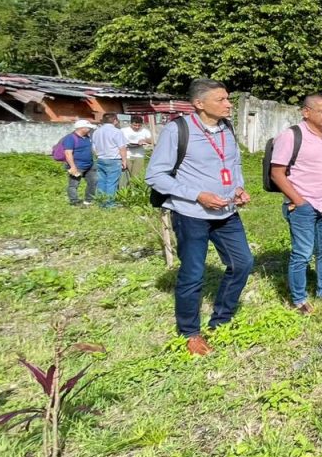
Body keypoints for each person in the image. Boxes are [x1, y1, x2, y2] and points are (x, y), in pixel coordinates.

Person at [146, 79, 253, 356]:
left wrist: (238, 187)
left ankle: (222, 319)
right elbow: (155, 175)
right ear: (199, 103)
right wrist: (197, 195)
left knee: (242, 263)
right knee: (193, 273)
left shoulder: (226, 128)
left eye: (228, 98)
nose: (229, 104)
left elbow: (234, 164)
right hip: (192, 213)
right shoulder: (177, 130)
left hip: (227, 212)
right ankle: (190, 332)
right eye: (221, 99)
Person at [269, 94, 322, 313]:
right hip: (303, 205)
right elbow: (277, 173)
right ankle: (299, 299)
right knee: (302, 253)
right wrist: (298, 200)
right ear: (306, 112)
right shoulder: (291, 136)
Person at [91, 112, 128, 207]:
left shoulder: (96, 132)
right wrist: (124, 161)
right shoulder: (117, 132)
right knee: (112, 182)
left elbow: (94, 147)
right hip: (114, 159)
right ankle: (109, 204)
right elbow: (122, 148)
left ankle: (101, 202)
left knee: (101, 181)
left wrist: (99, 155)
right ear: (115, 120)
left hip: (101, 159)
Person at [61, 119, 97, 206]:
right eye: (88, 128)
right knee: (74, 184)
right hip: (77, 165)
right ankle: (74, 201)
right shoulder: (70, 138)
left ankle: (88, 200)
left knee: (93, 182)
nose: (90, 129)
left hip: (89, 165)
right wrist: (73, 167)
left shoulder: (87, 137)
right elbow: (68, 153)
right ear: (82, 128)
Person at [120, 115, 154, 182]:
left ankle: (134, 190)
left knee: (136, 175)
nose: (137, 127)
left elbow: (151, 141)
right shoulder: (123, 130)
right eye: (134, 125)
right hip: (127, 154)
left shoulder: (145, 131)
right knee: (127, 175)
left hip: (139, 154)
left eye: (139, 125)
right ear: (131, 124)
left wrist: (145, 140)